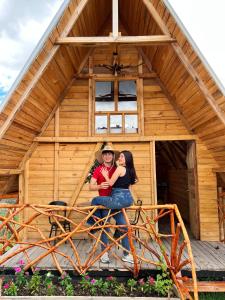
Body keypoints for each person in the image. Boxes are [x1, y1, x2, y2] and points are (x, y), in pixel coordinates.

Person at [91, 150, 137, 264]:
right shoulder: (98, 170)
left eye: (109, 154)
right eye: (105, 154)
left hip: (116, 203)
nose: (107, 156)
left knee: (124, 227)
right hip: (105, 204)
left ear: (113, 156)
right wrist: (99, 186)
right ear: (102, 156)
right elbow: (90, 186)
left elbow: (127, 183)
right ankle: (104, 254)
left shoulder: (118, 168)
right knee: (105, 228)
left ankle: (127, 254)